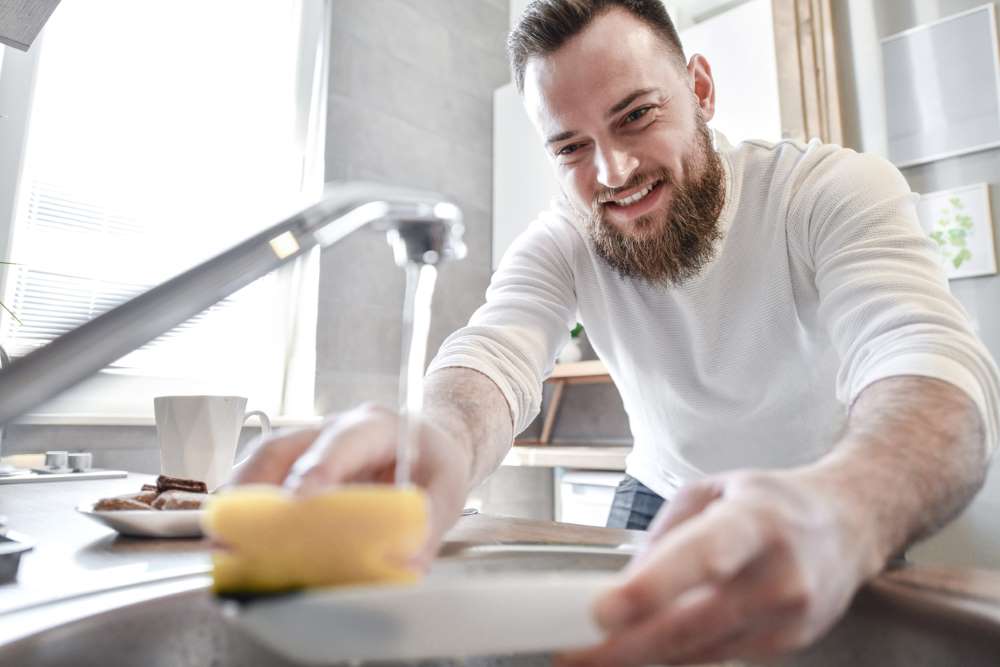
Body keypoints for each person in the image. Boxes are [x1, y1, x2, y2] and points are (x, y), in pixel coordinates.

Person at [235, 0, 1000, 664]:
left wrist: (848, 506)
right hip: (656, 500)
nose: (612, 170)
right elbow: (493, 355)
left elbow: (926, 360)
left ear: (699, 87)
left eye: (636, 115)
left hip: (830, 511)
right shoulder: (563, 235)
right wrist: (437, 439)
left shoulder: (825, 190)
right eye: (570, 146)